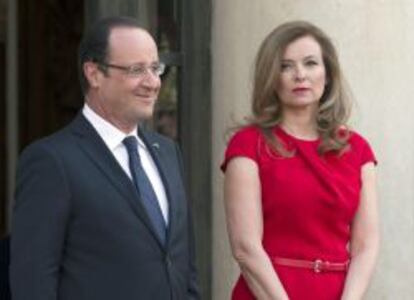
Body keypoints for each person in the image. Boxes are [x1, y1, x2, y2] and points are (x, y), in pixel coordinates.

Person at [10, 16, 199, 300]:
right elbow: (33, 280)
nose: (153, 82)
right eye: (137, 70)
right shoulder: (52, 161)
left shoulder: (169, 152)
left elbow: (183, 265)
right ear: (94, 73)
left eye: (155, 68)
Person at [221, 21, 379, 300]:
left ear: (327, 74)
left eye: (310, 63)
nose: (300, 75)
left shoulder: (357, 150)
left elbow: (366, 245)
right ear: (271, 76)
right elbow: (246, 248)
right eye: (285, 66)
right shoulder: (247, 145)